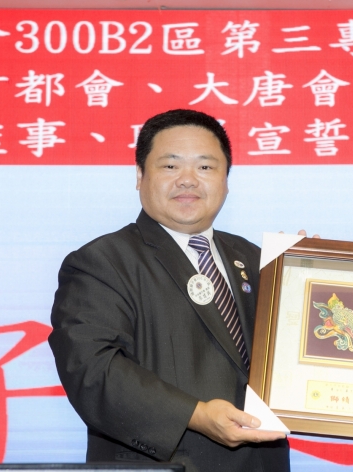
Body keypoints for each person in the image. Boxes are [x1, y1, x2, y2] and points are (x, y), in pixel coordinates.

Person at [48, 109, 290, 471]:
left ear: (226, 179)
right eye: (171, 166)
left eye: (205, 167)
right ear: (140, 176)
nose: (188, 180)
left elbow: (286, 359)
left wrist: (308, 283)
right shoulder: (102, 262)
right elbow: (92, 371)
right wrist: (197, 415)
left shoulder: (256, 259)